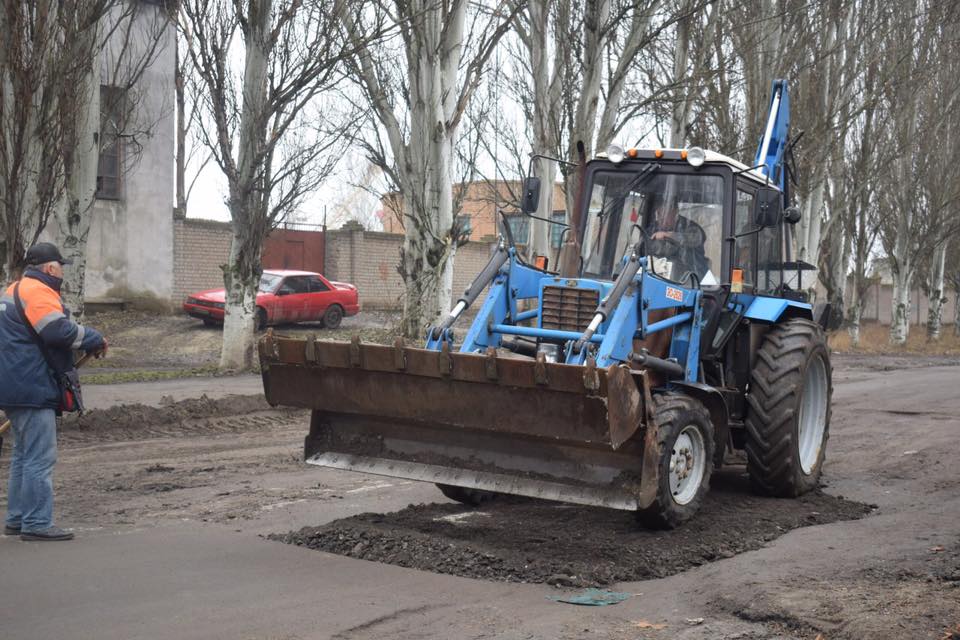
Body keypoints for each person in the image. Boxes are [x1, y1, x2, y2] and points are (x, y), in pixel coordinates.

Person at [0, 242, 106, 541]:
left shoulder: (14, 290)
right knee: (39, 457)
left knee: (23, 454)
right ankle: (36, 523)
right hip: (31, 385)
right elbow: (58, 331)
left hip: (13, 383)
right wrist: (94, 337)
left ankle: (18, 519)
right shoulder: (39, 292)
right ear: (50, 268)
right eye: (60, 266)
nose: (62, 272)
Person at [645, 201, 710, 281]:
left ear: (675, 213)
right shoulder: (654, 227)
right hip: (663, 276)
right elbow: (644, 242)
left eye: (665, 214)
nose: (661, 218)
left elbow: (697, 238)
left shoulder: (690, 226)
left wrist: (669, 235)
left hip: (692, 278)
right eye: (659, 214)